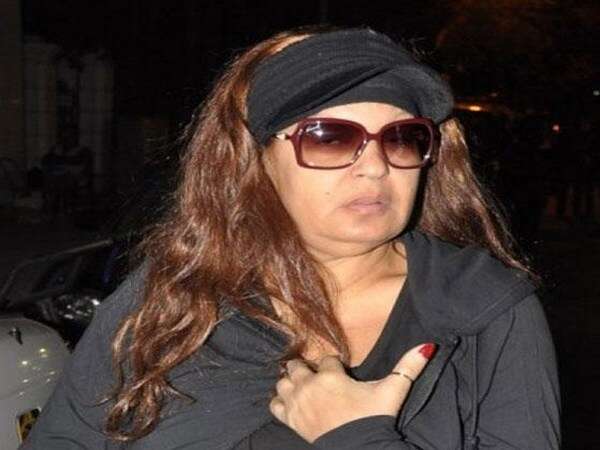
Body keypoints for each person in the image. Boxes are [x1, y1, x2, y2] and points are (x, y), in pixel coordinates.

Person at [21, 25, 561, 450]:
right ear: (258, 162)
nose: (375, 167)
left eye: (401, 138)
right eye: (329, 137)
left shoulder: (484, 308)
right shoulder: (173, 300)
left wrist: (355, 437)